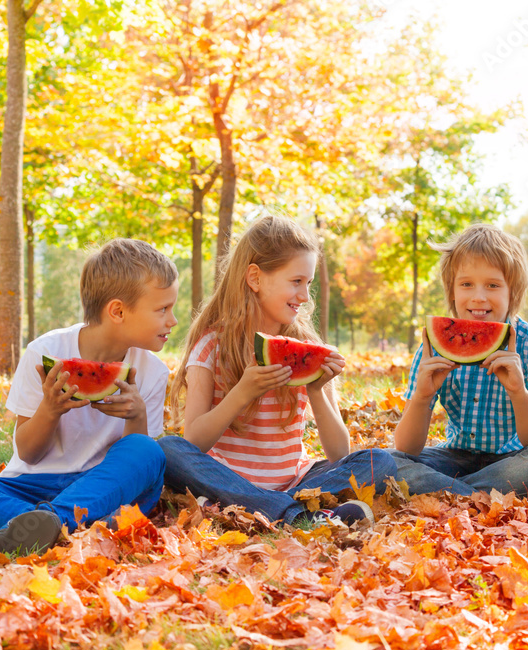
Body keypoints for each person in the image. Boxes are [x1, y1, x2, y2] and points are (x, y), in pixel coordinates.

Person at [0, 239, 177, 553]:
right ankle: (57, 528)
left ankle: (43, 527)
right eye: (162, 310)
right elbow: (28, 453)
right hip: (34, 484)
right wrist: (49, 411)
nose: (172, 320)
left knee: (148, 451)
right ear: (117, 311)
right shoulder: (45, 352)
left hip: (100, 490)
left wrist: (137, 416)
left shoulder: (152, 370)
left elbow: (134, 467)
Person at [161, 215, 397, 527]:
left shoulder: (307, 345)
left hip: (296, 481)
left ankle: (262, 509)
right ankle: (299, 514)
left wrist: (316, 390)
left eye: (309, 284)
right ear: (255, 278)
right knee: (169, 450)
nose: (304, 296)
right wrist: (242, 393)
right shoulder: (211, 346)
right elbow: (194, 441)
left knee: (379, 461)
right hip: (228, 476)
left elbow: (339, 452)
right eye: (296, 282)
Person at [393, 224, 528, 500]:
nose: (478, 297)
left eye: (493, 285)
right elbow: (407, 447)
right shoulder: (433, 347)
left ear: (514, 292)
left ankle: (446, 494)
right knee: (389, 460)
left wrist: (518, 392)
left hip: (512, 460)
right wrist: (421, 396)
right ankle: (478, 495)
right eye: (466, 284)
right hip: (451, 459)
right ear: (452, 291)